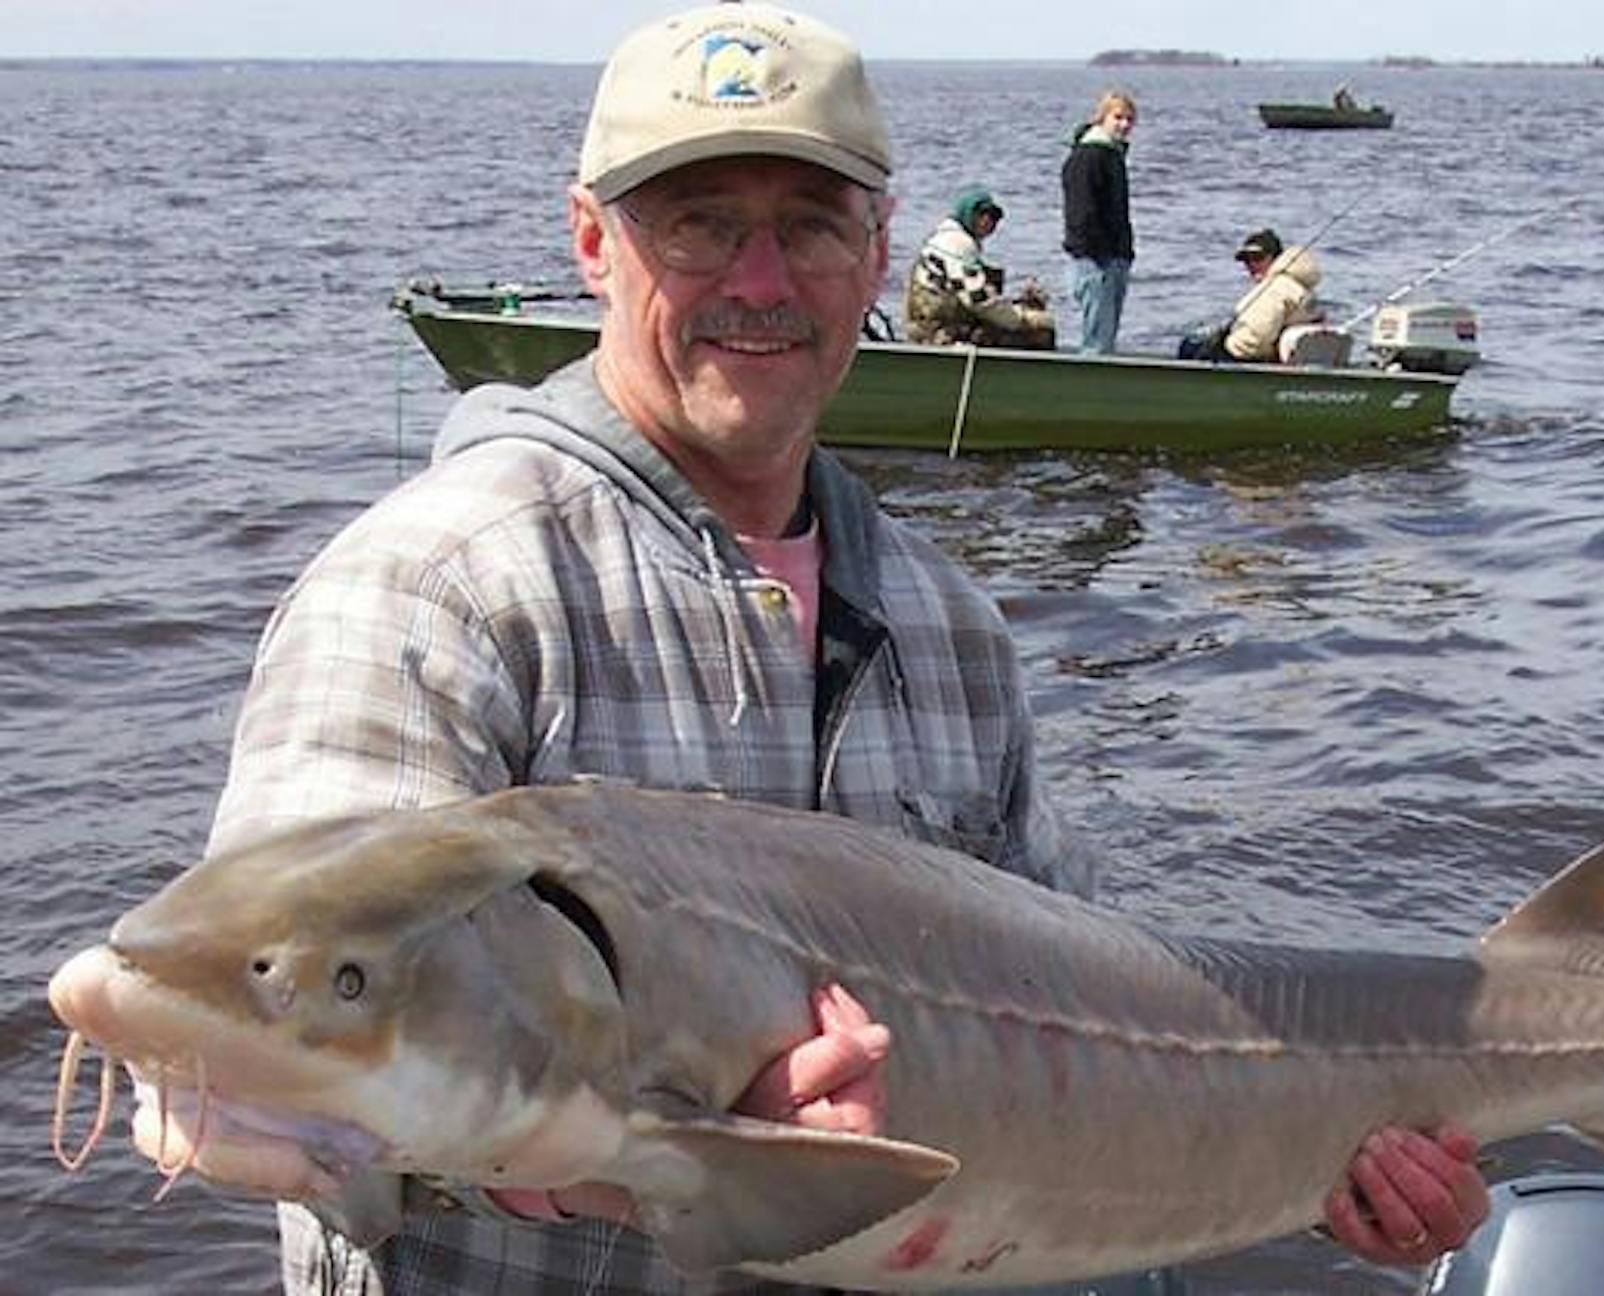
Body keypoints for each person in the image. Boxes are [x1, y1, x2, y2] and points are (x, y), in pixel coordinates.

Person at [150, 6, 1488, 1293]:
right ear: (592, 243)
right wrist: (659, 1162)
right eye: (701, 227)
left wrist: (1311, 1160)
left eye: (810, 227)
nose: (761, 282)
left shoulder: (950, 628)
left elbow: (1112, 1016)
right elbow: (250, 1064)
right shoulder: (435, 588)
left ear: (879, 249)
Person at [904, 183, 1055, 349]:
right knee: (1041, 333)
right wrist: (1023, 319)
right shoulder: (958, 244)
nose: (987, 221)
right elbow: (978, 300)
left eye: (993, 216)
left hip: (924, 328)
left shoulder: (942, 238)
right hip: (938, 333)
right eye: (981, 213)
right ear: (967, 213)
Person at [1060, 89, 1137, 354]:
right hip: (1094, 261)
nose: (1124, 125)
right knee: (1097, 340)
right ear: (1102, 118)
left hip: (1114, 258)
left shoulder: (1113, 156)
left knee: (1106, 336)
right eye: (1118, 117)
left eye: (1129, 120)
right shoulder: (1088, 156)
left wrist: (1125, 252)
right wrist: (1097, 252)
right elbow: (1081, 212)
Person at [1182, 228, 1324, 364]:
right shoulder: (1299, 287)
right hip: (1277, 358)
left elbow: (1255, 341)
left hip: (1254, 360)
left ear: (1276, 258)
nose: (1251, 264)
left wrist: (1224, 349)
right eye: (1246, 260)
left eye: (1258, 258)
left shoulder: (1275, 290)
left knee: (1190, 346)